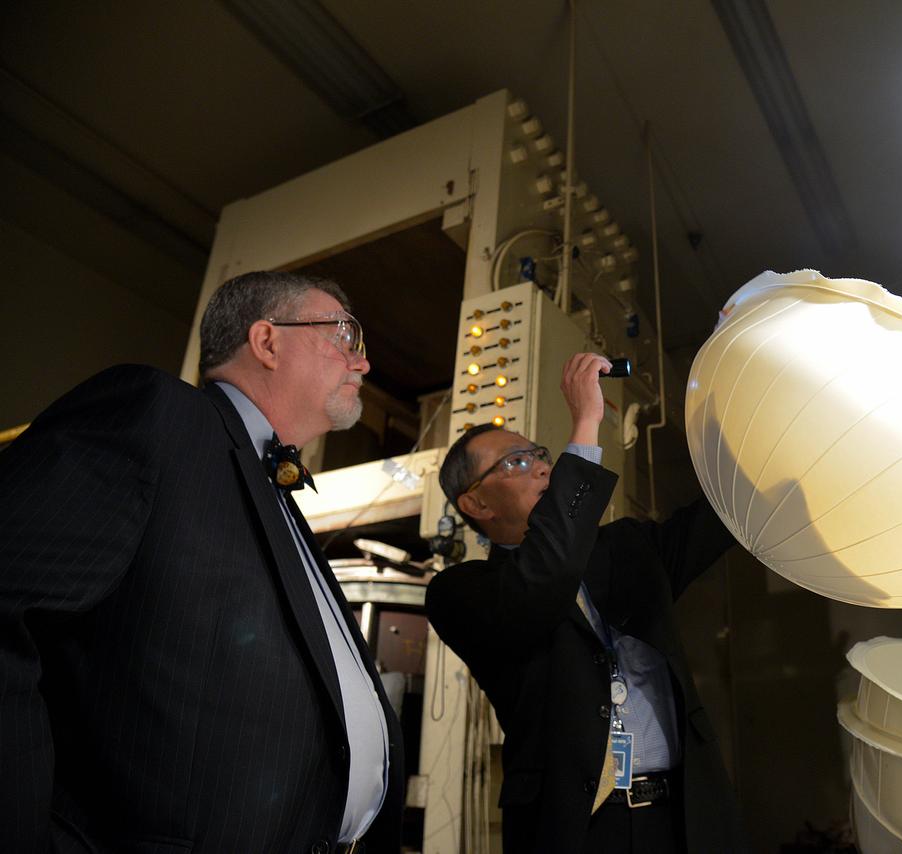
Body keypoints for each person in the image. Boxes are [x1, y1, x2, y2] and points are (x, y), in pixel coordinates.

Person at [0, 271, 405, 852]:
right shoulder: (158, 414)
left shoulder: (278, 493)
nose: (362, 363)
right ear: (267, 342)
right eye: (343, 333)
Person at [426, 352, 749, 853]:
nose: (539, 467)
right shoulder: (460, 593)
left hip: (685, 815)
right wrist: (586, 422)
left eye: (539, 454)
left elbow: (725, 512)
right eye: (516, 462)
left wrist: (750, 393)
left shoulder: (627, 548)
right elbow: (543, 581)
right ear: (477, 504)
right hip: (579, 828)